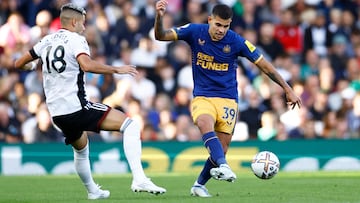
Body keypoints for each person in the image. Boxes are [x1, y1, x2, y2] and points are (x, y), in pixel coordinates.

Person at [14, 3, 166, 200]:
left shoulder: (46, 41)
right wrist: (116, 69)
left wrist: (34, 64)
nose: (84, 28)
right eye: (83, 24)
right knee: (131, 125)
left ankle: (94, 192)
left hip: (57, 114)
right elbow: (86, 64)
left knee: (82, 149)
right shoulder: (76, 40)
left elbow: (18, 63)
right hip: (77, 107)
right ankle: (139, 178)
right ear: (74, 22)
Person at [154, 0, 302, 197]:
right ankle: (224, 166)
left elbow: (264, 65)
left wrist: (287, 88)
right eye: (218, 25)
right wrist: (159, 17)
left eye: (226, 26)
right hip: (203, 96)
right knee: (205, 123)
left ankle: (199, 185)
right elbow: (160, 35)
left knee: (221, 149)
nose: (221, 30)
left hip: (228, 99)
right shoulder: (194, 31)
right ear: (210, 20)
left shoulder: (236, 41)